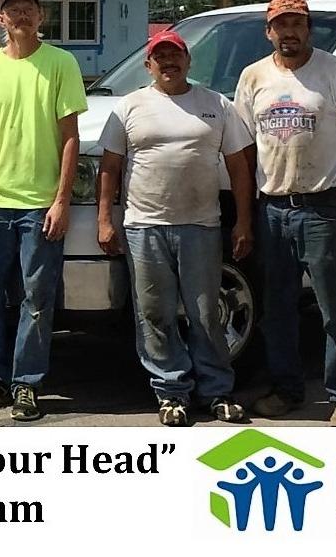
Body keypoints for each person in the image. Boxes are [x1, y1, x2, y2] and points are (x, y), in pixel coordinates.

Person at [96, 29, 255, 427]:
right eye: (159, 56)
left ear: (188, 61)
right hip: (143, 227)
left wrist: (244, 221)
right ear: (148, 64)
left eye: (175, 55)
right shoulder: (129, 107)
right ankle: (172, 393)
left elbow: (239, 166)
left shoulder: (217, 105)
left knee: (205, 315)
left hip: (201, 226)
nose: (168, 62)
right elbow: (110, 167)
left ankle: (217, 391)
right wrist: (103, 220)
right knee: (154, 314)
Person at [233, 0, 336, 427]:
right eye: (281, 25)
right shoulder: (253, 76)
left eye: (297, 24)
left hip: (322, 207)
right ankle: (286, 390)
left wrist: (320, 160)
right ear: (269, 31)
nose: (289, 32)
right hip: (272, 208)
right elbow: (242, 143)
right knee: (276, 311)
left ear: (308, 29)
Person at [0, 0, 88, 421]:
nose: (22, 17)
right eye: (14, 11)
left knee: (36, 298)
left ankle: (27, 384)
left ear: (41, 17)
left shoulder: (60, 64)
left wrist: (61, 200)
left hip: (39, 207)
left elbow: (70, 137)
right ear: (1, 20)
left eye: (29, 10)